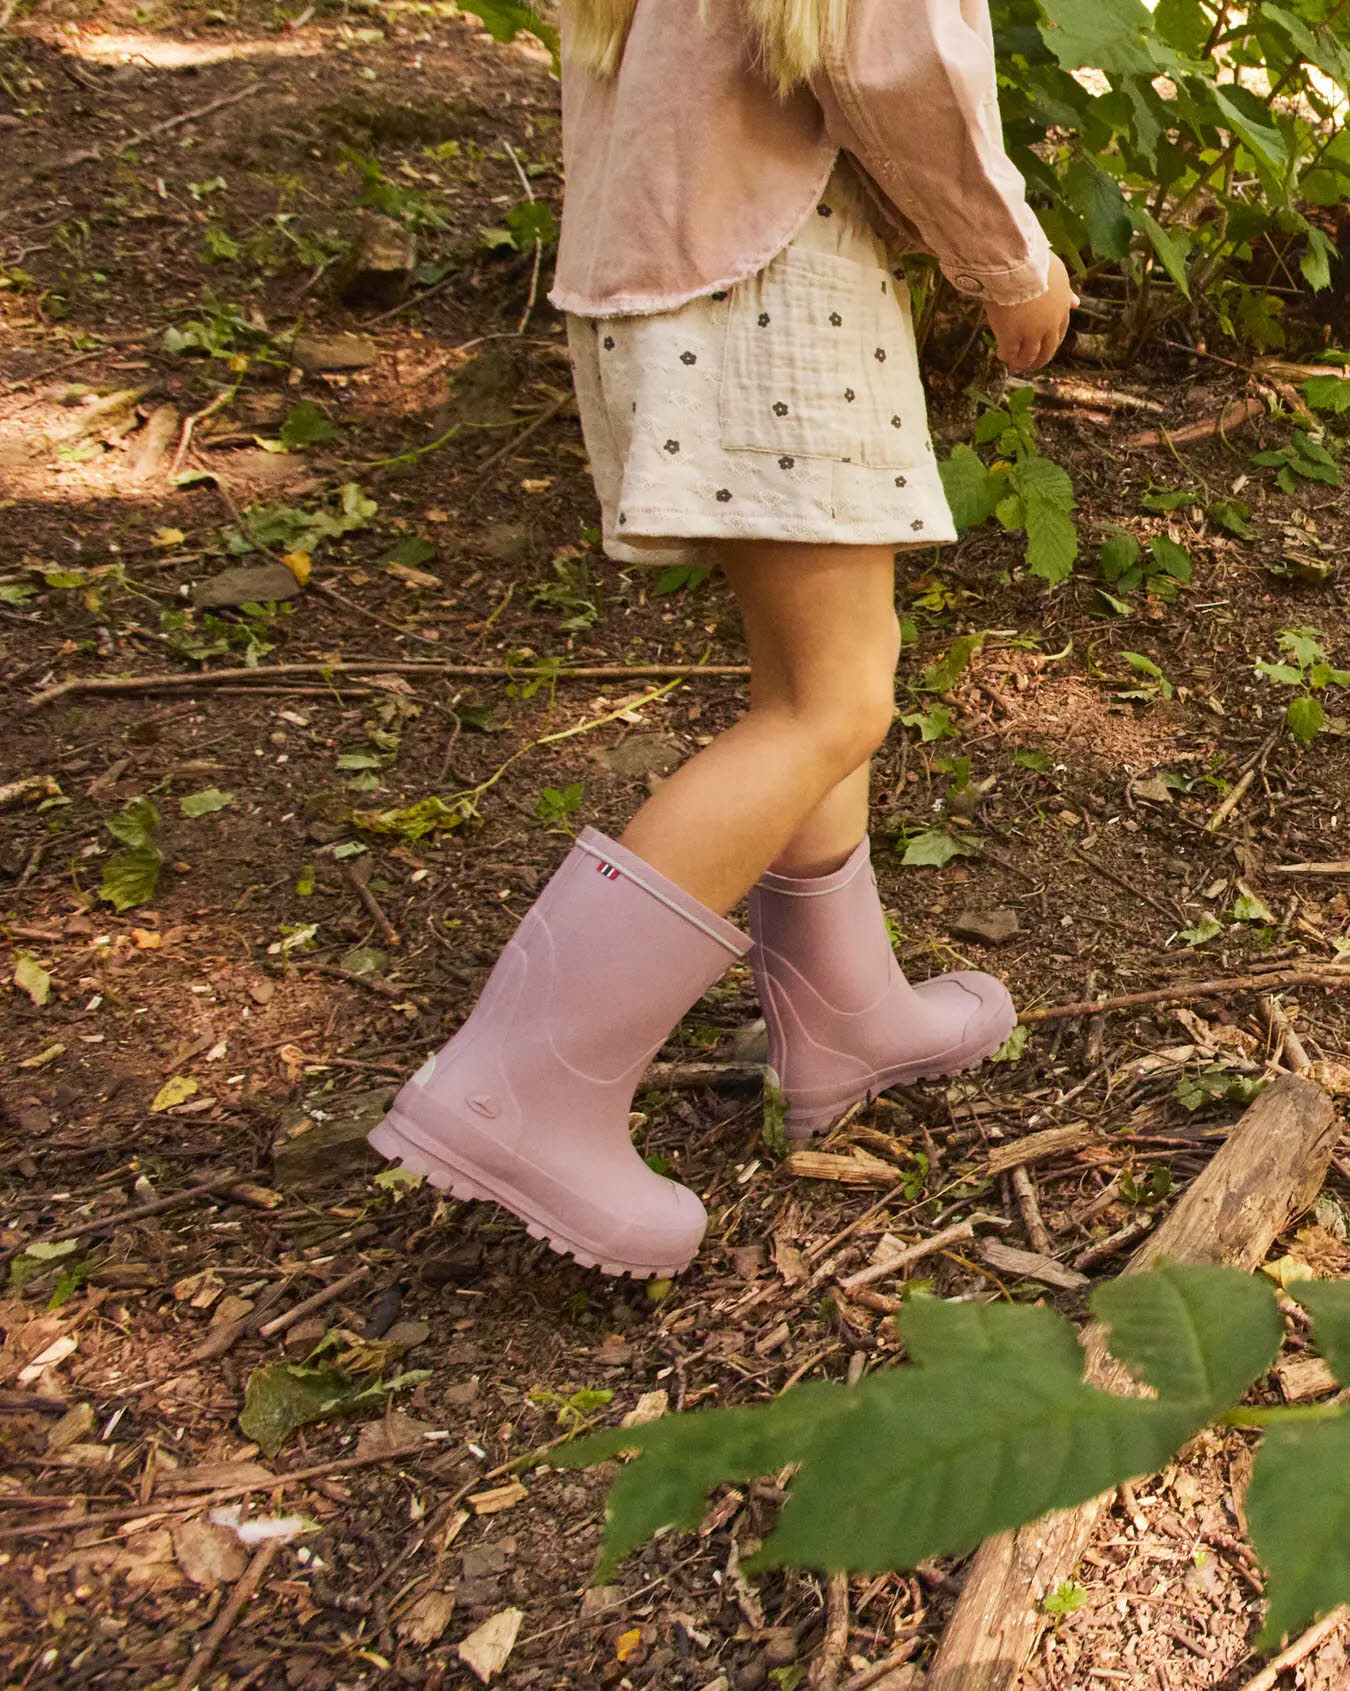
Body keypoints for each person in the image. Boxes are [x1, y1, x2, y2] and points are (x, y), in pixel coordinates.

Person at [369, 0, 1075, 1278]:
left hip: (684, 261)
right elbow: (895, 52)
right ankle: (517, 1089)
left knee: (810, 681)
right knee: (833, 705)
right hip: (773, 279)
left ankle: (845, 1015)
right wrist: (1010, 259)